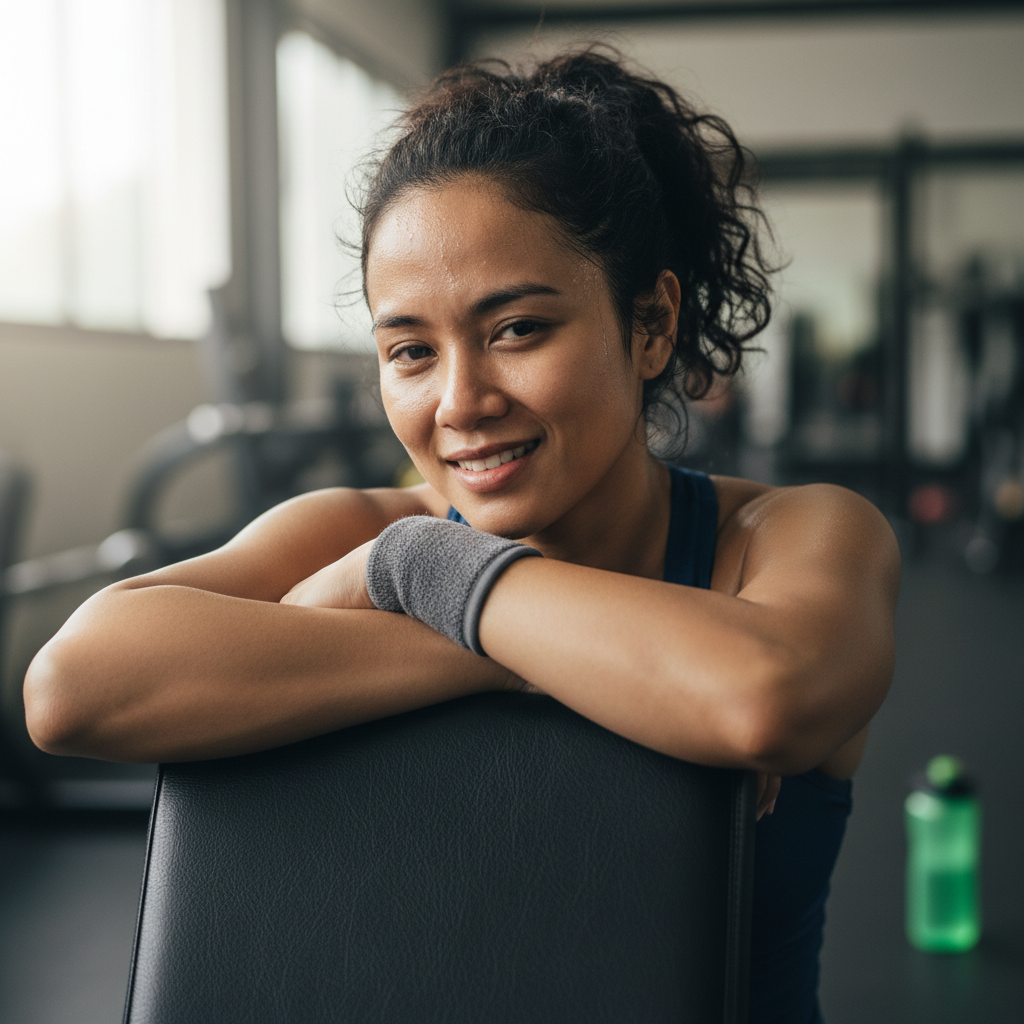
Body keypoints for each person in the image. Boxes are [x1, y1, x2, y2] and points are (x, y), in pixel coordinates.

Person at [24, 48, 899, 1024]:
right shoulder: (356, 527)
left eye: (517, 328)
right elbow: (72, 688)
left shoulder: (790, 534)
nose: (460, 402)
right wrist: (499, 646)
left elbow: (763, 697)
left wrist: (425, 571)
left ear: (649, 323)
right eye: (409, 350)